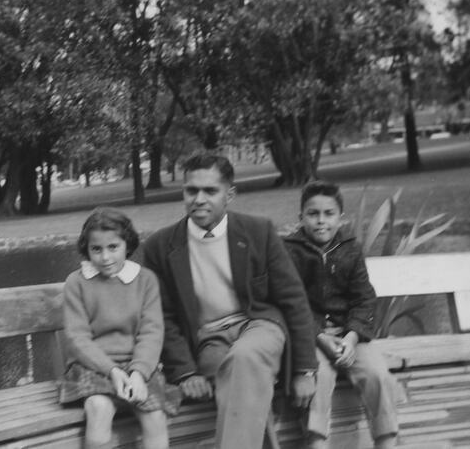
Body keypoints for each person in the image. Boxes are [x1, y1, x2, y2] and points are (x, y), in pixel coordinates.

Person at [142, 153, 318, 449]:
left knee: (243, 358)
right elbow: (164, 316)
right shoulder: (160, 246)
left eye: (210, 191)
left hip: (259, 325)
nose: (199, 199)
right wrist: (185, 371)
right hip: (207, 339)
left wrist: (304, 369)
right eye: (191, 190)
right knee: (238, 379)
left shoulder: (258, 231)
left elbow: (293, 300)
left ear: (229, 195)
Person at [284, 180, 399, 449]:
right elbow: (292, 303)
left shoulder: (351, 248)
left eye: (329, 214)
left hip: (350, 335)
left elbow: (363, 298)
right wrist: (319, 336)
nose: (321, 221)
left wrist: (351, 337)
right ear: (301, 217)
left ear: (340, 218)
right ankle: (316, 443)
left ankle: (386, 441)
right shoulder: (288, 251)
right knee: (318, 379)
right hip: (310, 337)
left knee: (377, 375)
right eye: (313, 214)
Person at [59, 207, 179, 449]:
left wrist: (138, 373)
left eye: (113, 247)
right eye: (96, 249)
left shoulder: (145, 280)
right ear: (87, 249)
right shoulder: (77, 283)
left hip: (139, 365)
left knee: (155, 415)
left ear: (128, 244)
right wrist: (112, 371)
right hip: (93, 366)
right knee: (99, 407)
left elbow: (151, 332)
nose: (105, 257)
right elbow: (77, 337)